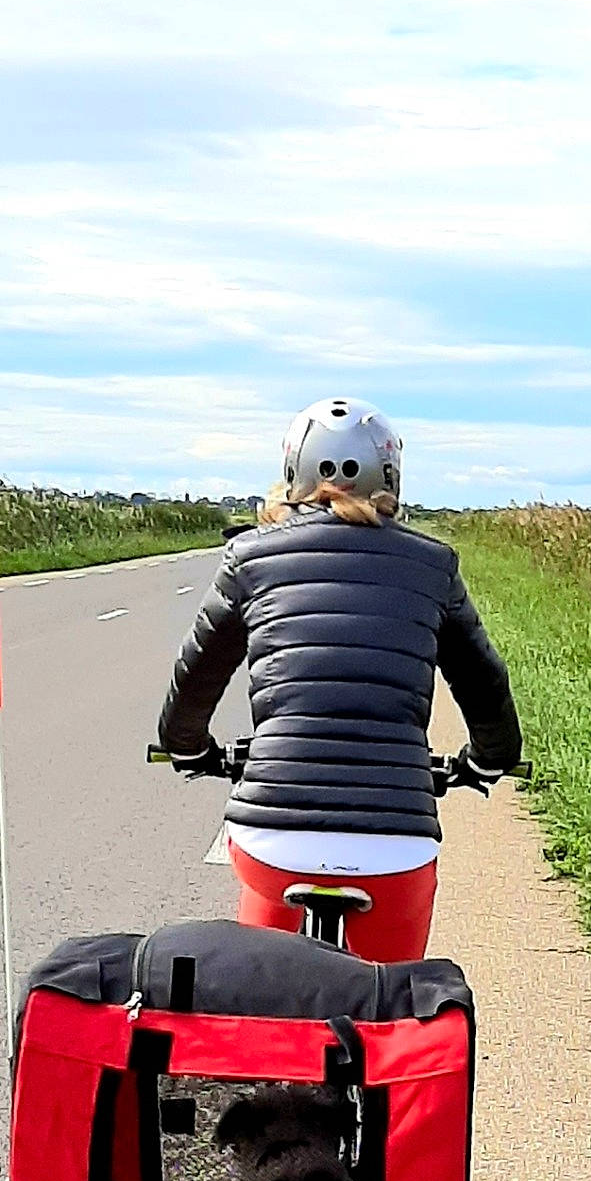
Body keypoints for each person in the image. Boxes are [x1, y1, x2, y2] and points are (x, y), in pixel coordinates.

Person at [156, 397, 522, 962]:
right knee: (390, 1005)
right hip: (393, 843)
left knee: (261, 992)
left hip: (273, 837)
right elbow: (483, 681)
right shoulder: (432, 564)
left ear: (292, 473)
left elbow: (196, 676)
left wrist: (188, 747)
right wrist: (488, 758)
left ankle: (263, 1025)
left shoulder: (249, 559)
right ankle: (384, 1036)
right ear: (392, 476)